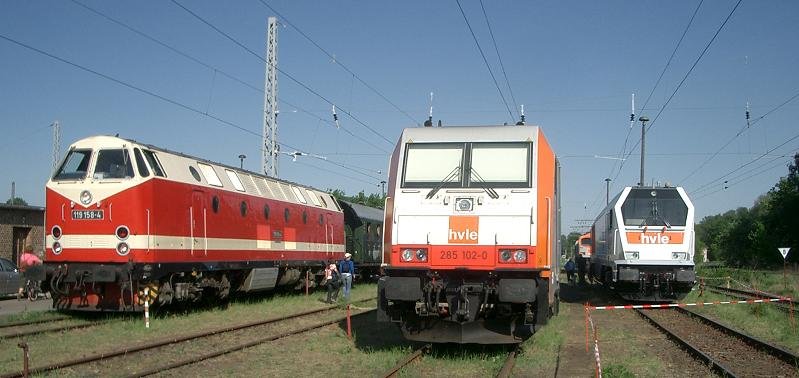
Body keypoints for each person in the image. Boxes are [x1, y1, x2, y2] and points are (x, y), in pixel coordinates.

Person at [18, 234, 43, 299]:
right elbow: (40, 262)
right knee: (32, 282)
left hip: (22, 270)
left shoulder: (23, 255)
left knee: (22, 283)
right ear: (31, 251)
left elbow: (21, 261)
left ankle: (20, 292)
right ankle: (31, 295)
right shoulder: (33, 256)